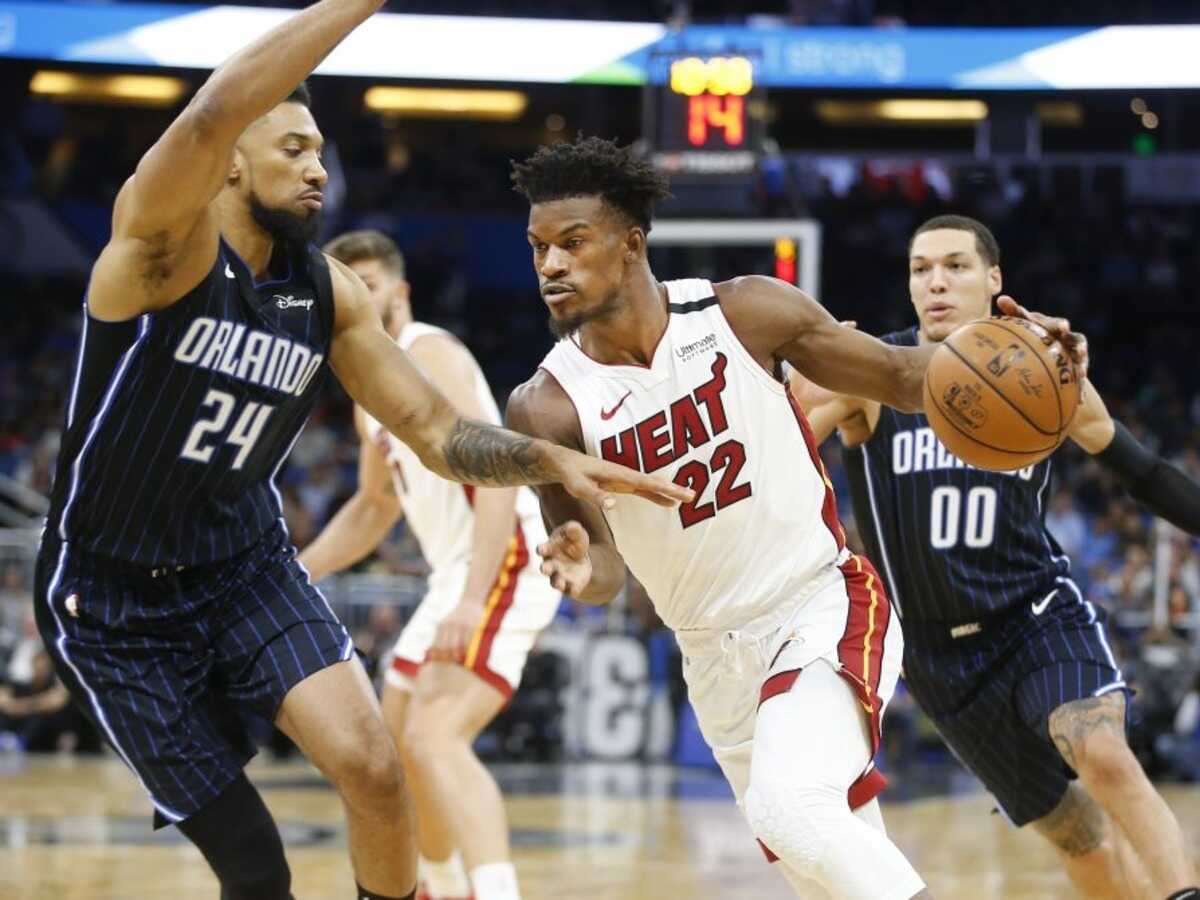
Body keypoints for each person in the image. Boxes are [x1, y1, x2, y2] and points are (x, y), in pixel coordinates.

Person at [30, 6, 689, 898]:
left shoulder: (328, 292)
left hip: (241, 566)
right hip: (110, 593)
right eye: (293, 148)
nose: (317, 170)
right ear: (229, 160)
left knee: (378, 771)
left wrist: (548, 462)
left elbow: (438, 431)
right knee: (256, 868)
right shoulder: (158, 252)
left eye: (321, 153)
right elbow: (214, 107)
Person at [503, 136, 1080, 900]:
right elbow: (605, 572)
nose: (550, 265)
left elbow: (907, 379)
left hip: (818, 603)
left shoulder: (743, 312)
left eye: (572, 243)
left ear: (631, 244)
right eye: (539, 247)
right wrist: (581, 565)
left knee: (792, 810)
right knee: (829, 867)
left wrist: (1027, 354)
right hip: (712, 657)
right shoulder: (544, 403)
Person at [793, 214, 1200, 900]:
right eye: (921, 269)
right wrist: (793, 379)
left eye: (955, 265)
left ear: (994, 280)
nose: (936, 282)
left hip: (1035, 614)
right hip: (935, 656)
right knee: (1075, 834)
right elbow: (780, 450)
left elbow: (1144, 471)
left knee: (1102, 754)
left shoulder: (1043, 371)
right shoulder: (872, 375)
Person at [299, 230, 559, 900]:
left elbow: (498, 469)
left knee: (437, 736)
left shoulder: (428, 352)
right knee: (398, 744)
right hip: (456, 573)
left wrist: (474, 599)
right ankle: (440, 886)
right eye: (346, 285)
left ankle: (495, 891)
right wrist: (295, 574)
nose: (359, 295)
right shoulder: (369, 395)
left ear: (399, 291)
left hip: (504, 554)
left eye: (371, 282)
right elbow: (373, 508)